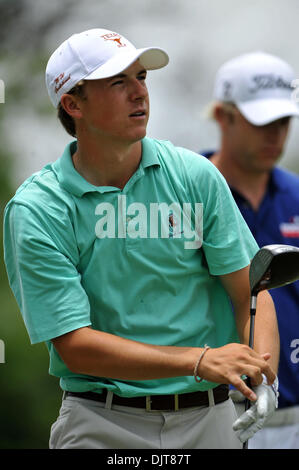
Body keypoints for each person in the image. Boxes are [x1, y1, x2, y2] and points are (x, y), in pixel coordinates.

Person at [4, 29, 279, 450]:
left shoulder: (193, 175)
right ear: (73, 104)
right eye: (119, 83)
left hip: (211, 419)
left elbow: (251, 294)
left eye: (142, 78)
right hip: (100, 421)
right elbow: (75, 345)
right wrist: (200, 360)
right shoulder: (38, 209)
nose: (139, 94)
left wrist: (263, 377)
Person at [201, 51, 299, 449]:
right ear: (224, 116)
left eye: (283, 122)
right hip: (208, 415)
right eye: (262, 122)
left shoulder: (296, 195)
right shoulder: (185, 195)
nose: (275, 135)